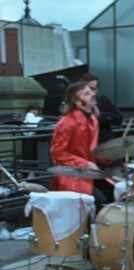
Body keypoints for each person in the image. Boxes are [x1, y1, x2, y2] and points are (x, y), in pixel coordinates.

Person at [50, 81, 107, 210]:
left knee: (116, 193)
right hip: (71, 177)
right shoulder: (67, 122)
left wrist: (112, 154)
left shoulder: (93, 120)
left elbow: (91, 151)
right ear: (77, 101)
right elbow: (58, 153)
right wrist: (85, 164)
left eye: (91, 91)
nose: (93, 94)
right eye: (87, 93)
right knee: (99, 201)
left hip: (89, 174)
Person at [80, 73, 123, 144]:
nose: (92, 92)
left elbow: (119, 119)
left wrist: (100, 115)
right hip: (84, 144)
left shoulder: (103, 100)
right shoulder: (76, 104)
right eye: (89, 88)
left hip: (104, 142)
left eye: (95, 89)